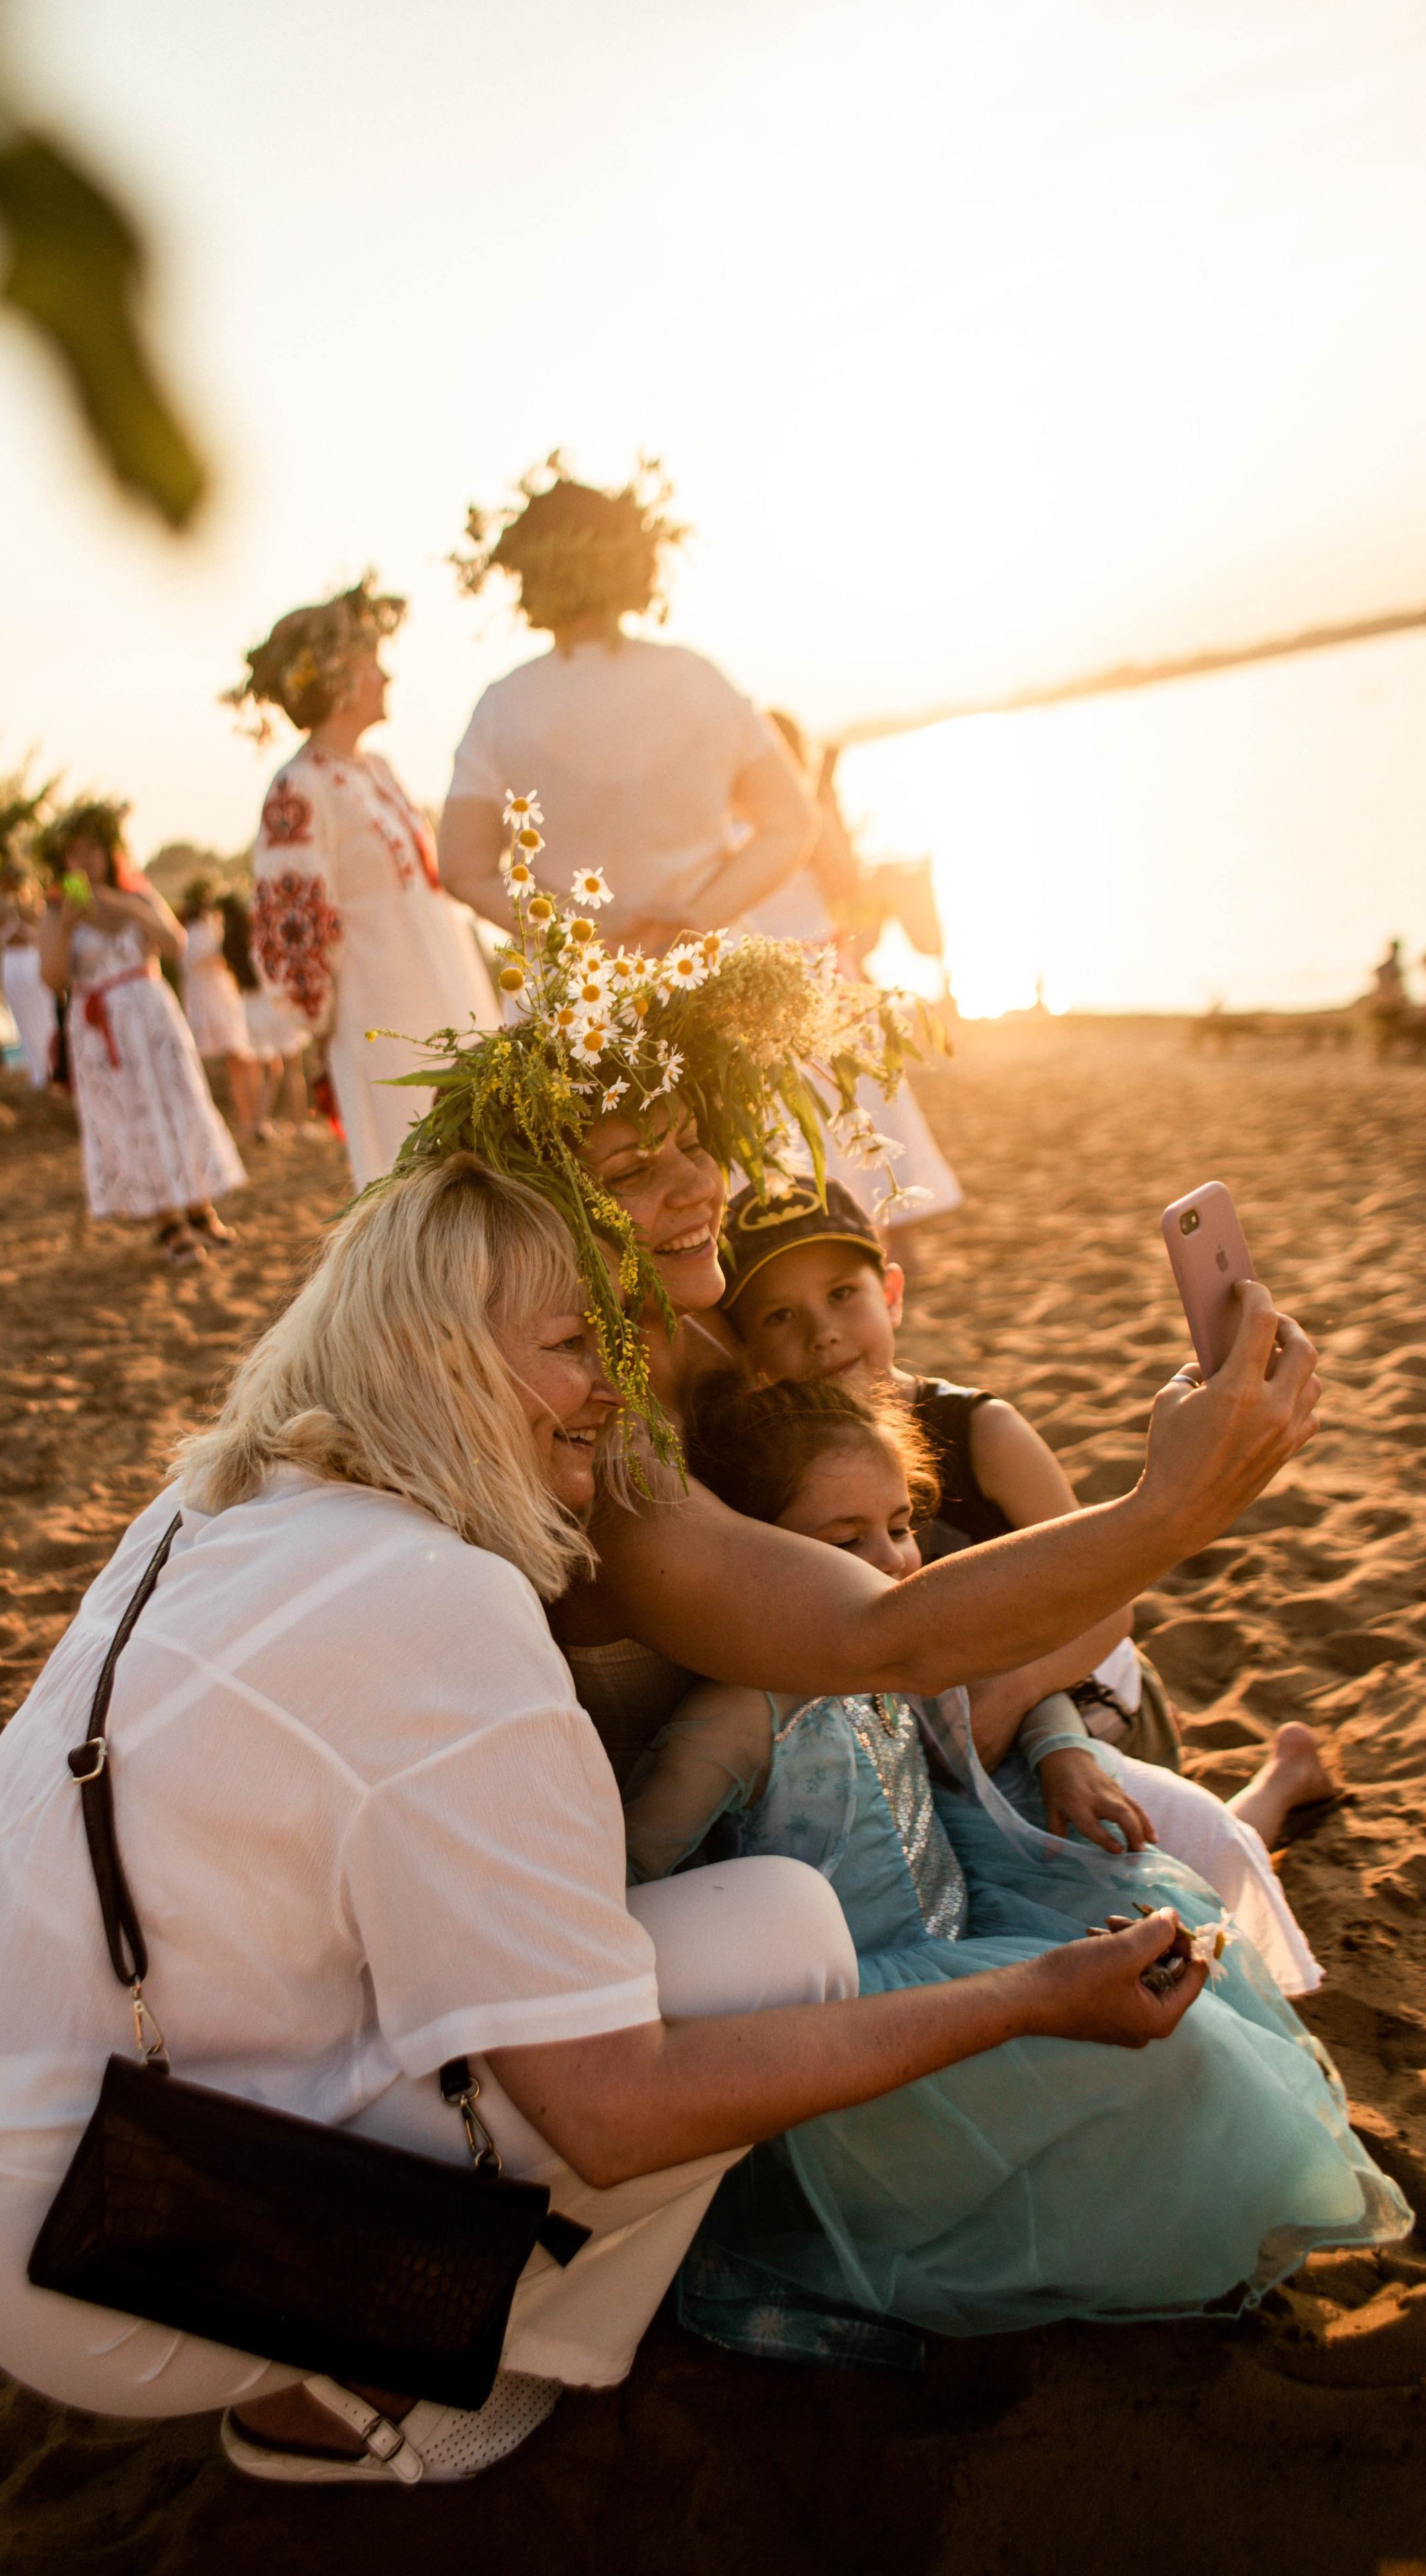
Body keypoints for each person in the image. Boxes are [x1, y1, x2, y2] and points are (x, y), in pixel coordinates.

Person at [0, 1153, 1245, 2487]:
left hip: (3, 2154)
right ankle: (376, 2388)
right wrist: (1027, 1998)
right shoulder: (441, 1603)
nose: (610, 1385)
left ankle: (399, 2332)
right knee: (763, 1960)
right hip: (134, 2258)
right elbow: (609, 2112)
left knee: (760, 1920)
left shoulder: (218, 1504)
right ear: (428, 1352)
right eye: (564, 1344)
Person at [382, 821, 1328, 1896]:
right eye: (637, 1168)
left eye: (695, 1139)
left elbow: (864, 1439)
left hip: (899, 1766)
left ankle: (1265, 1787)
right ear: (543, 1208)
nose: (697, 1187)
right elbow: (876, 1635)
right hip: (786, 1856)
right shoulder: (603, 1441)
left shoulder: (705, 1330)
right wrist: (1174, 1502)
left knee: (1181, 1850)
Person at [621, 1369, 1409, 2356]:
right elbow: (629, 1876)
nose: (890, 1561)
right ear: (758, 1558)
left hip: (969, 1922)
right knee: (1179, 2062)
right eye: (842, 1543)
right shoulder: (740, 1712)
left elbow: (1011, 1674)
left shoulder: (892, 1646)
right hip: (868, 2028)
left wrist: (1057, 1748)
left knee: (1177, 1975)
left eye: (899, 1524)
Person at [717, 1173, 1335, 1876]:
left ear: (891, 1294)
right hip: (937, 1710)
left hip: (1066, 1681)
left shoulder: (980, 1429)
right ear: (747, 1352)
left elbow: (1111, 1604)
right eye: (779, 1317)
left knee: (1176, 1867)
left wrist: (1008, 1698)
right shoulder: (771, 1466)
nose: (821, 1332)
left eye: (840, 1295)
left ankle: (1282, 1781)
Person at [437, 458, 814, 955]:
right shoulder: (696, 678)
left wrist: (588, 929)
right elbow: (792, 824)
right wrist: (693, 919)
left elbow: (465, 870)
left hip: (575, 1006)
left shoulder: (500, 706)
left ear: (530, 576)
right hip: (709, 977)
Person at [230, 578, 497, 1192]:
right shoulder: (299, 787)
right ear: (337, 680)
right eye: (371, 663)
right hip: (382, 1011)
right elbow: (287, 916)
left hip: (445, 983)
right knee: (421, 1175)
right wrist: (322, 1019)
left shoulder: (378, 770)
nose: (386, 677)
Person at [746, 712, 962, 1233]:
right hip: (823, 976)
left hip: (761, 988)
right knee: (868, 1104)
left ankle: (843, 1229)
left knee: (809, 1113)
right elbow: (848, 888)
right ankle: (898, 1239)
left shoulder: (731, 817)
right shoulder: (803, 811)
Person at [36, 802, 245, 1266]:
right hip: (102, 1027)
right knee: (133, 1117)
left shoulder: (137, 895)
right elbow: (51, 979)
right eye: (74, 855)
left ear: (110, 852)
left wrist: (125, 905)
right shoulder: (55, 912)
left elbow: (175, 945)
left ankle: (199, 1206)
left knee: (178, 1105)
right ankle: (168, 1220)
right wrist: (69, 921)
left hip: (152, 1016)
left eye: (91, 852)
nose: (84, 863)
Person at [220, 888, 320, 1142]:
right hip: (271, 1007)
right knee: (292, 1067)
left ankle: (260, 1123)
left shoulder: (229, 945)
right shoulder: (258, 942)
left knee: (269, 1069)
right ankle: (300, 1124)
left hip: (250, 1010)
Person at [176, 877, 261, 1138]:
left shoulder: (189, 933)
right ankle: (251, 1122)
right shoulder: (208, 930)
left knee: (239, 1063)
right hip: (218, 1002)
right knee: (241, 1062)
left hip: (214, 1001)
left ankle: (252, 1121)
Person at [0, 859, 58, 1089]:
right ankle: (38, 1066)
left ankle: (55, 1062)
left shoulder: (32, 904)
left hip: (31, 960)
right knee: (22, 1015)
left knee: (44, 1012)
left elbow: (40, 920)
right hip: (11, 964)